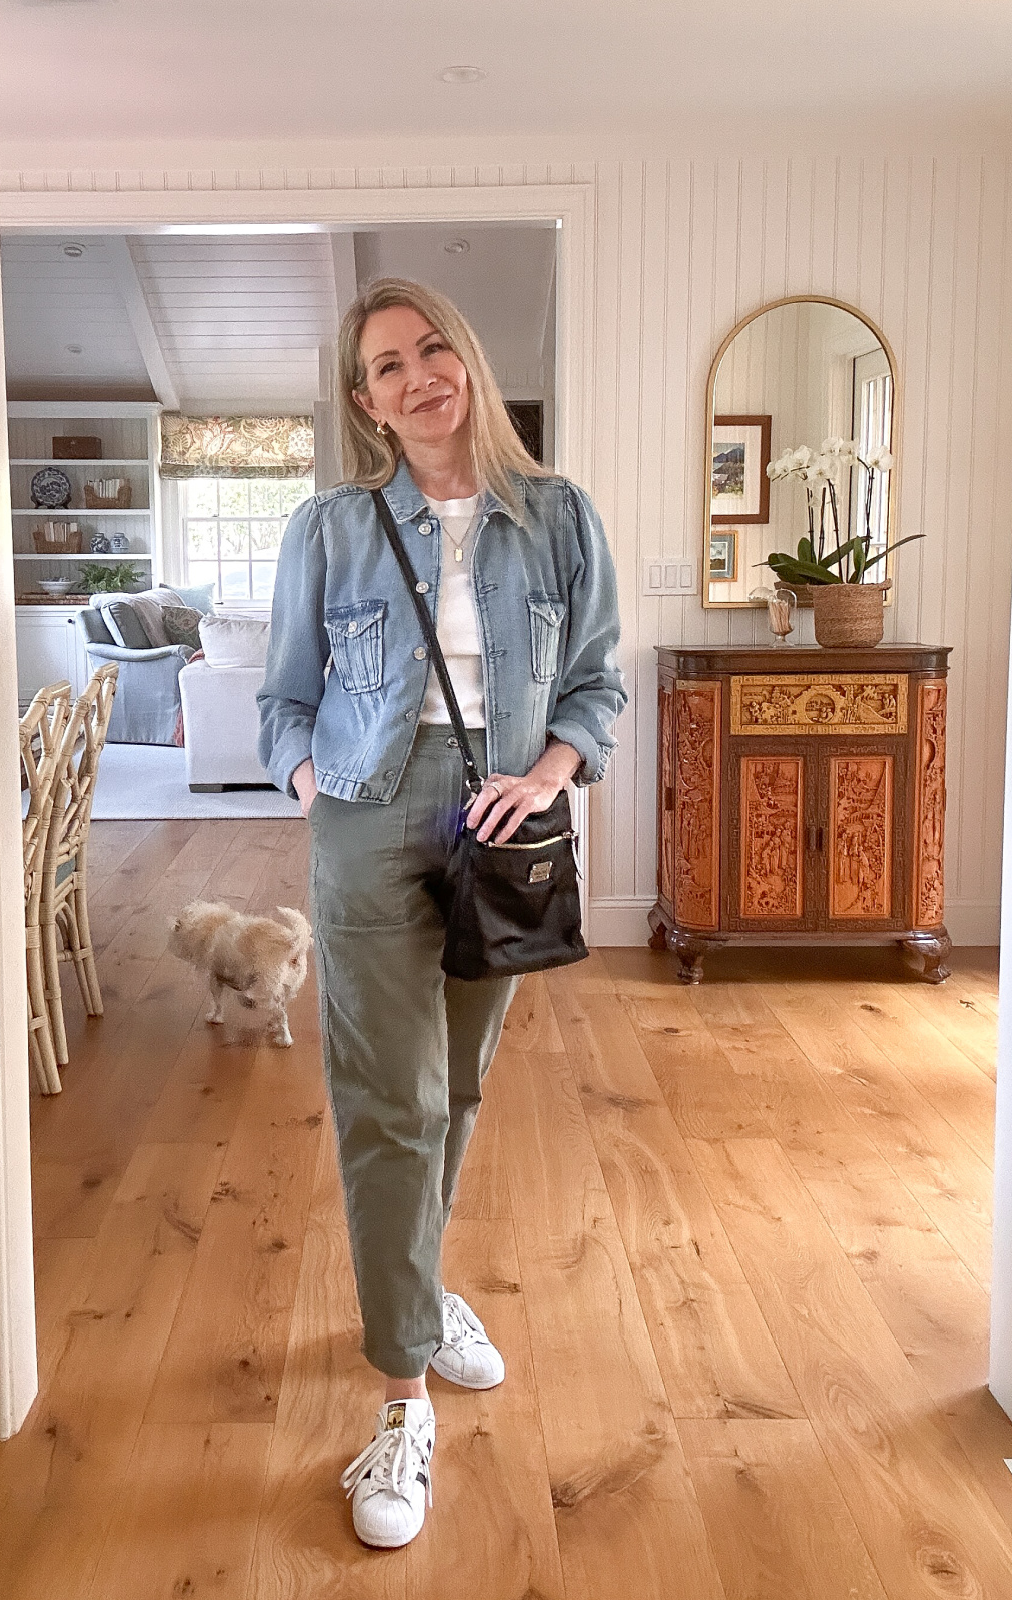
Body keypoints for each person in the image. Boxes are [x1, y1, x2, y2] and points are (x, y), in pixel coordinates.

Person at [258, 276, 626, 1549]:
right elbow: (282, 701)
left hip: (502, 819)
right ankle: (401, 1393)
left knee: (457, 1085)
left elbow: (595, 683)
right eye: (387, 366)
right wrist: (316, 789)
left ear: (465, 359)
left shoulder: (559, 515)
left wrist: (549, 775)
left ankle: (416, 1291)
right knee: (388, 1098)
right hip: (366, 815)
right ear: (365, 402)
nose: (418, 376)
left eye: (432, 349)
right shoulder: (331, 526)